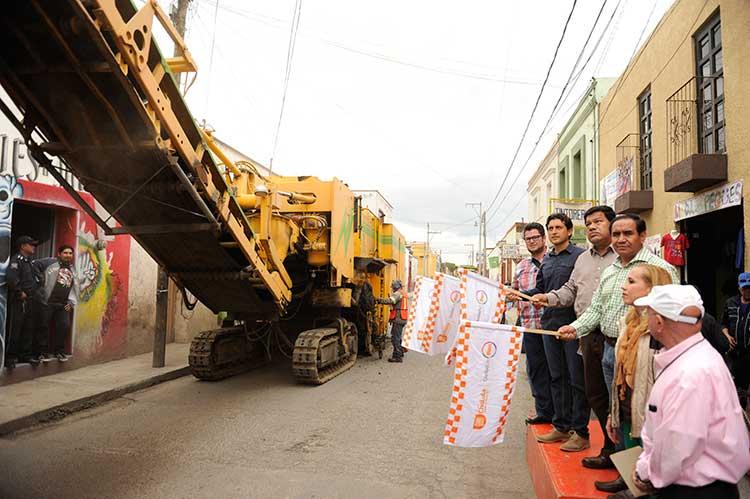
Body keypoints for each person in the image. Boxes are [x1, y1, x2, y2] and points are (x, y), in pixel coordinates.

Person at [631, 285, 750, 498]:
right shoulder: (695, 359)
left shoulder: (690, 373)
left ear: (659, 322)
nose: (646, 320)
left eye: (648, 313)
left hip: (695, 491)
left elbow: (676, 447)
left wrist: (646, 473)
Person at [531, 205, 618, 469]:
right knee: (595, 394)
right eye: (589, 223)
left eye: (598, 222)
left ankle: (618, 453)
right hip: (584, 333)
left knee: (616, 397)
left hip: (615, 336)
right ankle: (603, 446)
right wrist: (546, 297)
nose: (592, 226)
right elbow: (570, 291)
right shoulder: (584, 260)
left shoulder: (624, 258)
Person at [520, 213, 589, 452]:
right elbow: (540, 289)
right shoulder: (547, 260)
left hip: (572, 326)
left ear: (569, 231)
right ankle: (560, 426)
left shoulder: (581, 257)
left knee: (576, 379)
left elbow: (575, 291)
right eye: (550, 228)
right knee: (556, 376)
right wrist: (521, 294)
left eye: (558, 227)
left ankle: (579, 429)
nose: (554, 231)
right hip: (549, 326)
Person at [603, 264, 672, 499]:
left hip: (650, 418)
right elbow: (619, 374)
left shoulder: (662, 330)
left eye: (632, 282)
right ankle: (628, 485)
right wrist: (613, 413)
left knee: (652, 477)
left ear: (653, 288)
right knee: (633, 466)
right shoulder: (628, 322)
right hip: (627, 406)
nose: (624, 287)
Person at [511, 222, 552, 426]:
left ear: (544, 239)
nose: (532, 241)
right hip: (530, 326)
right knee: (535, 370)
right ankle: (543, 412)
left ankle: (561, 414)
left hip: (552, 327)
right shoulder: (521, 267)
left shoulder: (553, 261)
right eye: (528, 239)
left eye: (535, 237)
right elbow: (515, 293)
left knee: (556, 371)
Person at [35, 245, 79, 362]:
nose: (68, 255)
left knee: (64, 326)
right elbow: (32, 265)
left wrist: (71, 302)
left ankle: (59, 351)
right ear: (59, 254)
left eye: (70, 253)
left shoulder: (72, 269)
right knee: (43, 326)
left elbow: (74, 287)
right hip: (47, 302)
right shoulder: (49, 262)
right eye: (65, 253)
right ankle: (41, 353)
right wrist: (39, 284)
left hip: (63, 304)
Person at [5, 236, 42, 368]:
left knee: (28, 328)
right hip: (19, 300)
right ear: (22, 246)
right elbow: (11, 278)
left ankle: (25, 355)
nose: (34, 247)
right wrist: (19, 292)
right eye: (31, 245)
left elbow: (37, 278)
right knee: (15, 328)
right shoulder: (16, 260)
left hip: (32, 299)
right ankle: (10, 357)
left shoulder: (30, 262)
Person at [721, 272, 750, 408]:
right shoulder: (730, 303)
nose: (747, 290)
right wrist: (727, 336)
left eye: (749, 287)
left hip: (749, 352)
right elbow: (723, 324)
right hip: (735, 353)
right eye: (744, 288)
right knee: (737, 389)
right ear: (739, 287)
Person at [376, 279, 408, 363]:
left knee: (395, 338)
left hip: (398, 318)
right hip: (402, 318)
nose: (392, 289)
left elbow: (391, 300)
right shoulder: (403, 293)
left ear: (395, 287)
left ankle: (397, 357)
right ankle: (400, 353)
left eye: (393, 287)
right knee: (398, 337)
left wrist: (379, 300)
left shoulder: (397, 294)